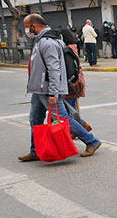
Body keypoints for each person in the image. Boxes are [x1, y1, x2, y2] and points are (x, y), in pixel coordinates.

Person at [19, 14, 101, 162]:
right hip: (39, 89)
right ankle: (35, 150)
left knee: (63, 119)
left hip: (47, 89)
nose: (26, 31)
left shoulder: (48, 42)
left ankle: (91, 141)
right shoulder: (40, 40)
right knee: (35, 120)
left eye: (27, 27)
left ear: (33, 26)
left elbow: (54, 69)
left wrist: (53, 92)